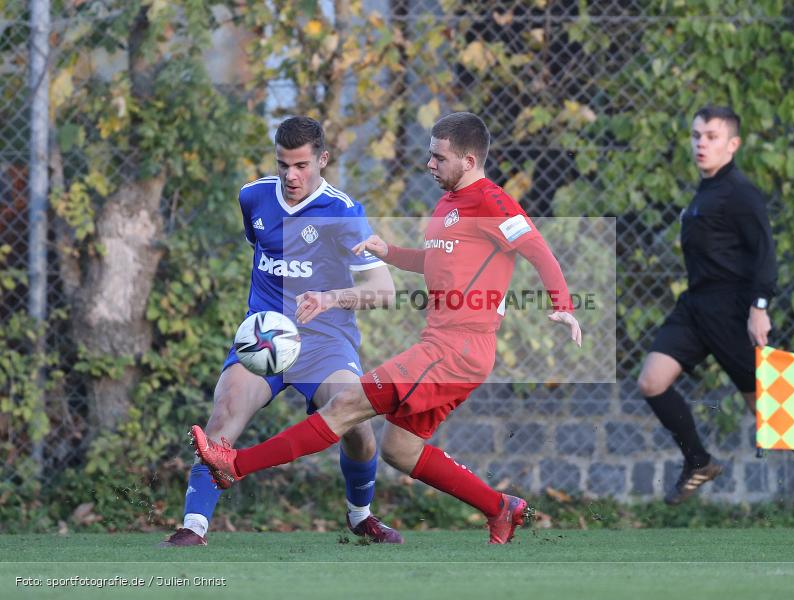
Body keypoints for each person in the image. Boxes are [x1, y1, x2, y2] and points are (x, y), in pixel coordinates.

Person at [189, 112, 583, 544]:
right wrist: (389, 251)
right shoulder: (449, 204)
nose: (429, 164)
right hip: (446, 346)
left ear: (469, 161)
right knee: (400, 450)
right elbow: (436, 264)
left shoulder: (490, 199)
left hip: (456, 349)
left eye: (438, 157)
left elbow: (536, 247)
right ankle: (500, 508)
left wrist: (562, 304)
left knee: (346, 407)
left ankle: (236, 465)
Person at [160, 116, 403, 546]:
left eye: (302, 166)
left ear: (323, 160)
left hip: (326, 342)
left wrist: (330, 298)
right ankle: (193, 527)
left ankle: (360, 515)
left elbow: (384, 291)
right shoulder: (252, 198)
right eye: (283, 165)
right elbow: (263, 253)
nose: (291, 176)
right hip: (266, 336)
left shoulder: (344, 213)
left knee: (359, 427)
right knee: (224, 412)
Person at [637, 105, 794, 527]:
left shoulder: (740, 193)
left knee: (771, 408)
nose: (702, 143)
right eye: (697, 135)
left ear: (733, 144)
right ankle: (698, 461)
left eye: (712, 136)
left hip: (732, 315)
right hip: (695, 310)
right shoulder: (705, 192)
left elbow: (765, 255)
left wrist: (759, 307)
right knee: (651, 381)